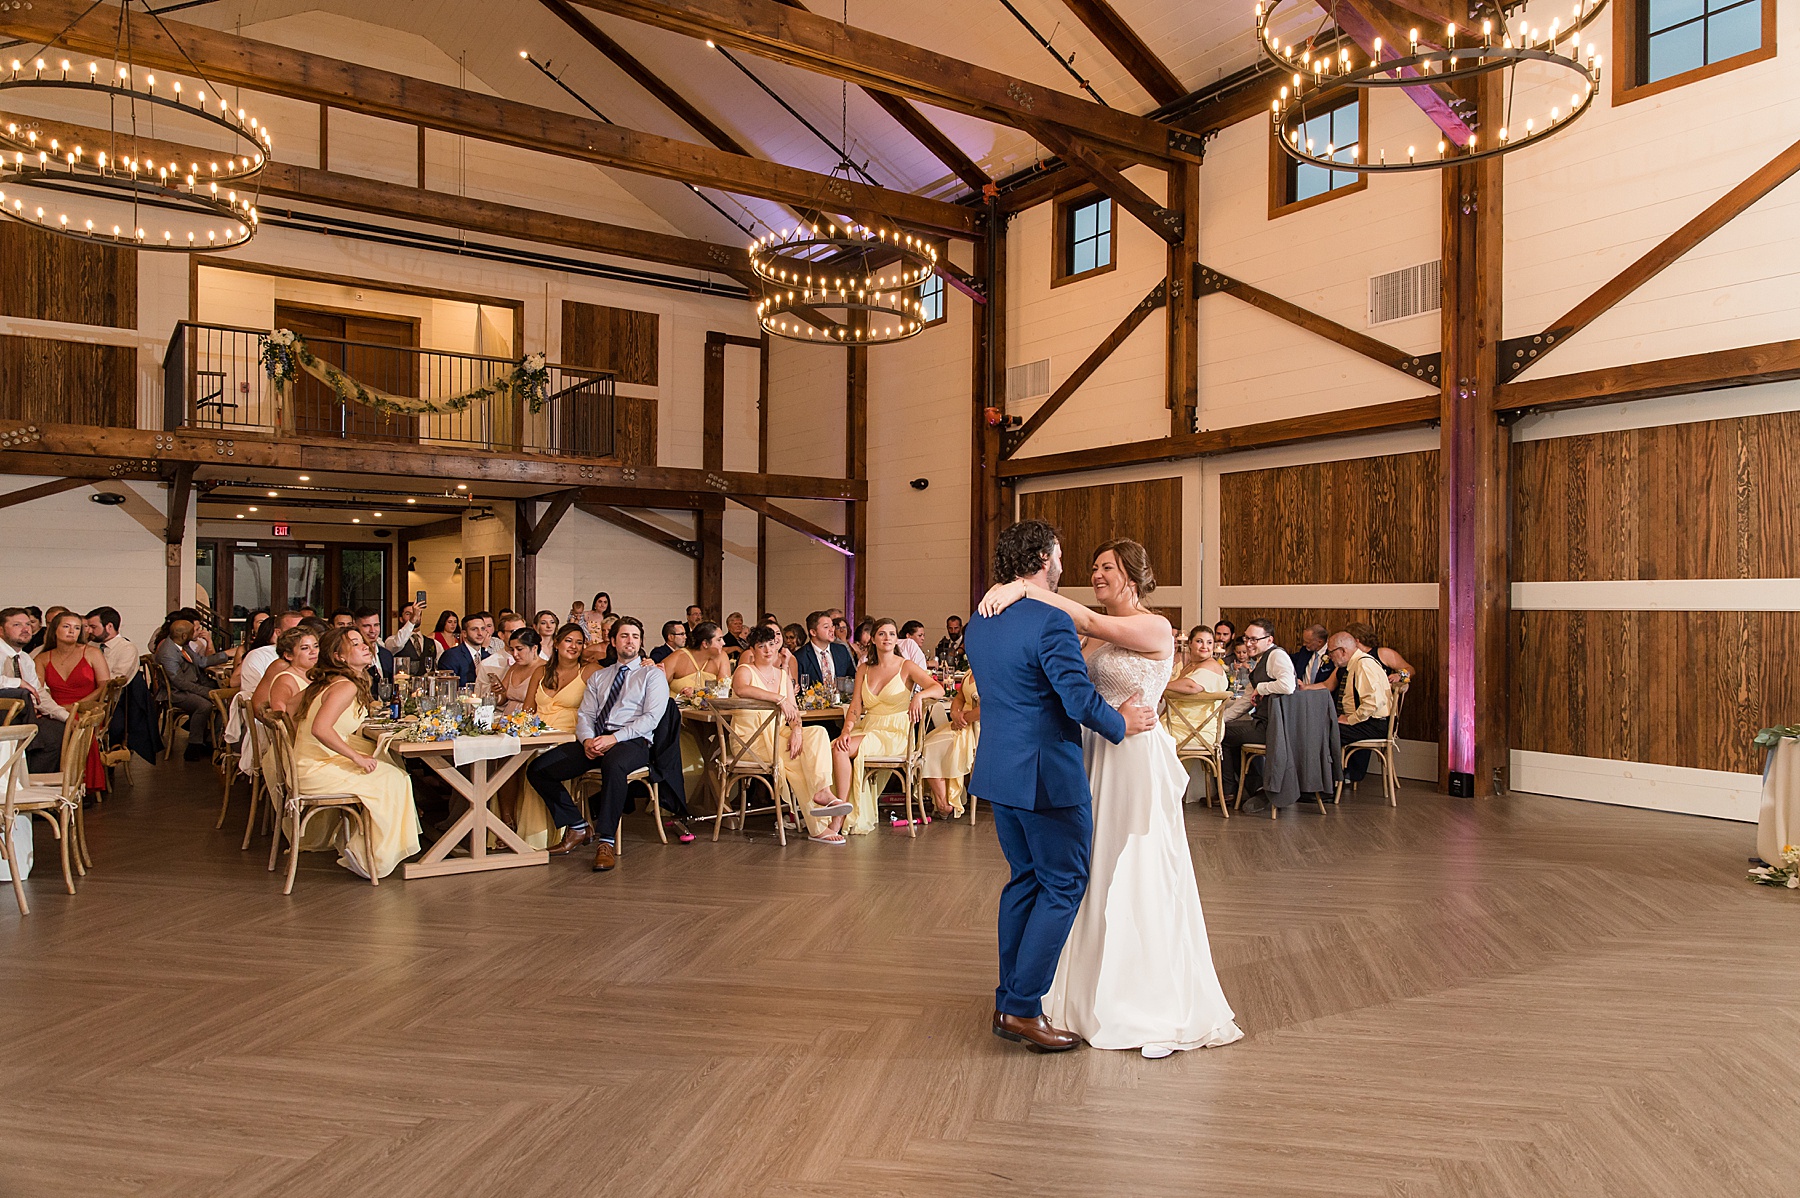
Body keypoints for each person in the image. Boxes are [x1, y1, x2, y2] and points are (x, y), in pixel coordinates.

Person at [980, 536, 1242, 1059]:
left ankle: (1128, 989)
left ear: (1132, 575)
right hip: (1089, 756)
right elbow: (1063, 683)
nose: (1095, 574)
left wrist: (1017, 590)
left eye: (1107, 567)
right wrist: (1018, 591)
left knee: (1130, 869)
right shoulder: (1079, 630)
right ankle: (1061, 993)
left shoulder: (1152, 625)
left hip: (1133, 758)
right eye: (1091, 565)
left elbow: (1093, 626)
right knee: (1081, 876)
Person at [964, 521, 1153, 1053]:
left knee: (1024, 880)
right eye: (1063, 555)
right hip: (1048, 773)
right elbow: (1076, 699)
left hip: (999, 770)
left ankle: (1008, 999)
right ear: (1046, 557)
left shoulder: (982, 622)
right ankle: (1022, 1009)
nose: (1067, 565)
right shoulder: (1048, 622)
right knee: (1065, 883)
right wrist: (1121, 723)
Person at [525, 617, 670, 872]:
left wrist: (614, 738)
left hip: (632, 741)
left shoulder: (652, 675)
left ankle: (606, 841)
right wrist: (587, 740)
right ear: (613, 641)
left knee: (614, 764)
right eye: (624, 636)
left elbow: (651, 719)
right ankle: (578, 826)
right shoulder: (600, 676)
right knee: (539, 768)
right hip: (597, 739)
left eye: (635, 637)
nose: (630, 641)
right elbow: (586, 715)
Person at [289, 627, 421, 879]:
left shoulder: (328, 681)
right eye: (355, 643)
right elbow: (320, 729)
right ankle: (367, 855)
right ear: (339, 656)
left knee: (391, 771)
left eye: (363, 642)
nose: (365, 646)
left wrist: (297, 741)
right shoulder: (345, 686)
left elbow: (291, 706)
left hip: (306, 762)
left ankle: (363, 847)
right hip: (314, 769)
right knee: (396, 779)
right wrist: (355, 756)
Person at [824, 618, 943, 835]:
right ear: (873, 639)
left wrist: (919, 697)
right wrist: (846, 731)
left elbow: (938, 688)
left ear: (896, 638)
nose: (887, 638)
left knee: (841, 749)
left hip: (895, 732)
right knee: (836, 745)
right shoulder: (864, 670)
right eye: (882, 634)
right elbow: (855, 707)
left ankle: (838, 817)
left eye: (891, 634)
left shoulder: (906, 666)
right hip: (869, 726)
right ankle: (838, 807)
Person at [730, 625, 841, 843]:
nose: (768, 650)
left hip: (778, 734)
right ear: (753, 649)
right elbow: (742, 689)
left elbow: (793, 712)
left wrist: (797, 731)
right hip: (751, 741)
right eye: (761, 646)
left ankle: (823, 790)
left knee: (818, 733)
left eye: (771, 645)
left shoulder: (782, 675)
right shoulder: (745, 670)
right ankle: (816, 826)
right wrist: (777, 699)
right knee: (799, 759)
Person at [1219, 617, 1296, 813]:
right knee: (1223, 730)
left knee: (1224, 736)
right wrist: (1218, 720)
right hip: (1263, 724)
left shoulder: (1276, 656)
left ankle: (1229, 791)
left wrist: (1261, 688)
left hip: (1274, 729)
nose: (1248, 644)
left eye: (1254, 639)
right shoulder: (1262, 659)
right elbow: (1245, 702)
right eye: (1247, 639)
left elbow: (1288, 685)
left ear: (1269, 640)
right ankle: (1254, 787)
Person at [33, 610, 110, 791]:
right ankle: (51, 785)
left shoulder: (92, 653)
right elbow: (38, 691)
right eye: (66, 627)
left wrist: (77, 706)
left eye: (77, 628)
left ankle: (83, 784)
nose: (72, 631)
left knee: (80, 728)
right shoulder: (42, 658)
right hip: (55, 710)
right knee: (46, 733)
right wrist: (57, 709)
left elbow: (104, 686)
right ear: (54, 630)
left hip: (87, 709)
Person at [1163, 627, 1232, 804]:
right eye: (1200, 641)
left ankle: (1162, 796)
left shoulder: (1211, 666)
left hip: (1197, 728)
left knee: (1146, 738)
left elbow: (1192, 687)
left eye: (1209, 642)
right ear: (1190, 644)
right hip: (1181, 723)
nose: (1205, 646)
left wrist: (1161, 685)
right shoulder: (1189, 666)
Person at [157, 616, 231, 761]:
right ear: (184, 635)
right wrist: (206, 692)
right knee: (204, 705)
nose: (196, 634)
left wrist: (226, 655)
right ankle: (193, 747)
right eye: (193, 631)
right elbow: (179, 682)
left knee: (223, 697)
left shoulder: (182, 645)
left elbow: (201, 662)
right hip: (175, 693)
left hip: (188, 686)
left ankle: (211, 740)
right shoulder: (168, 653)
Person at [1329, 631, 1394, 784]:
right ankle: (1332, 779)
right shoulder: (1357, 664)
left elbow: (1373, 702)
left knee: (1324, 731)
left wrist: (1351, 719)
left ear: (1343, 651)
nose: (1330, 656)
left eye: (1331, 652)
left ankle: (1330, 783)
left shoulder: (1364, 665)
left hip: (1375, 724)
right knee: (1325, 727)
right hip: (1371, 722)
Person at [921, 672, 979, 819]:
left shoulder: (992, 672)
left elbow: (989, 708)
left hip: (978, 730)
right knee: (925, 743)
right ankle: (943, 800)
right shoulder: (969, 672)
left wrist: (962, 718)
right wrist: (954, 713)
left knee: (929, 748)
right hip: (961, 724)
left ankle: (944, 804)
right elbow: (959, 697)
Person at [253, 625, 319, 718]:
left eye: (316, 646)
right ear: (288, 655)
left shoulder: (317, 674)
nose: (313, 651)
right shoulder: (285, 680)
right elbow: (283, 722)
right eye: (305, 648)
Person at [237, 612, 302, 696]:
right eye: (294, 631)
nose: (302, 636)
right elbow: (253, 696)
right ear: (278, 632)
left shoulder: (312, 655)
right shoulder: (258, 656)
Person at [661, 621, 730, 699]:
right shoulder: (677, 658)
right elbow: (657, 687)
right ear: (705, 644)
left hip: (711, 709)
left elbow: (724, 690)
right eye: (719, 640)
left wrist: (696, 692)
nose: (723, 643)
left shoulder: (722, 657)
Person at [794, 610, 856, 692]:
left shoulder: (841, 651)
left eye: (832, 626)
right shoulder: (800, 656)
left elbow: (852, 677)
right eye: (826, 627)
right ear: (813, 632)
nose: (832, 630)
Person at [81, 607, 139, 686]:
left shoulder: (126, 649)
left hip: (108, 695)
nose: (89, 631)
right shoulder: (91, 644)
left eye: (93, 627)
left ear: (109, 627)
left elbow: (116, 681)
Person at [1344, 620, 1415, 685]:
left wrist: (1399, 676)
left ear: (1356, 641)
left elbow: (1411, 671)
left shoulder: (1382, 653)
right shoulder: (1345, 657)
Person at [437, 611, 494, 686]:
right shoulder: (451, 656)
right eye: (474, 629)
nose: (480, 633)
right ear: (464, 633)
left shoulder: (488, 657)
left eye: (483, 629)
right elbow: (447, 688)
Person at [492, 629, 541, 714]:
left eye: (519, 649)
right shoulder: (515, 667)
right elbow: (503, 699)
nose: (514, 654)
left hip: (530, 719)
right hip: (507, 718)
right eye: (512, 649)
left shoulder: (545, 669)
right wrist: (497, 694)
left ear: (534, 648)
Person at [356, 609, 399, 690]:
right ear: (356, 627)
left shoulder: (386, 655)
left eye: (376, 625)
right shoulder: (354, 657)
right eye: (366, 626)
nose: (373, 630)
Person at [1292, 624, 1336, 689]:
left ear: (1320, 642)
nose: (1304, 644)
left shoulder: (1332, 655)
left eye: (1308, 642)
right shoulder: (1305, 651)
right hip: (1302, 694)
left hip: (1321, 695)